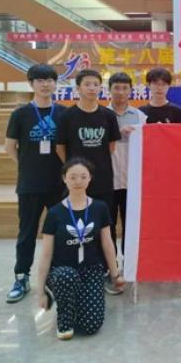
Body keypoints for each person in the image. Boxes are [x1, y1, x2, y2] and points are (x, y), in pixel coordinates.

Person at [37, 157, 124, 340]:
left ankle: (75, 303)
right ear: (64, 179)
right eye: (73, 177)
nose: (78, 181)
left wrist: (115, 275)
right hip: (62, 271)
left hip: (91, 270)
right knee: (66, 276)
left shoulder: (100, 208)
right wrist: (40, 291)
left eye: (83, 177)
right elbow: (46, 254)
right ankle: (65, 318)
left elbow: (107, 244)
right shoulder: (54, 213)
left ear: (90, 178)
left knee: (91, 325)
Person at [4, 63, 67, 303]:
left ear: (55, 83)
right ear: (31, 84)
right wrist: (27, 165)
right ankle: (21, 277)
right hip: (29, 184)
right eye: (40, 80)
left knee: (61, 232)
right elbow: (10, 147)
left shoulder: (63, 113)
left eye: (49, 80)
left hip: (58, 184)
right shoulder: (20, 114)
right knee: (27, 232)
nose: (45, 85)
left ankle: (59, 274)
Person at [55, 69, 121, 293]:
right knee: (75, 228)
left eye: (96, 84)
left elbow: (111, 147)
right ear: (78, 88)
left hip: (103, 180)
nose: (92, 88)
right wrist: (75, 173)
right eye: (87, 84)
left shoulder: (108, 116)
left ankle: (108, 271)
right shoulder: (67, 116)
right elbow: (60, 147)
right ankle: (75, 272)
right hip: (76, 185)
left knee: (106, 227)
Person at [107, 72, 147, 261]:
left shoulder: (140, 116)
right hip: (109, 179)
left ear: (131, 90)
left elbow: (147, 145)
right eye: (116, 88)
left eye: (125, 88)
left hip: (132, 180)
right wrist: (117, 133)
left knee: (131, 224)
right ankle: (110, 263)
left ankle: (130, 262)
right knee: (108, 223)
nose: (121, 92)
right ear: (109, 90)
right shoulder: (102, 115)